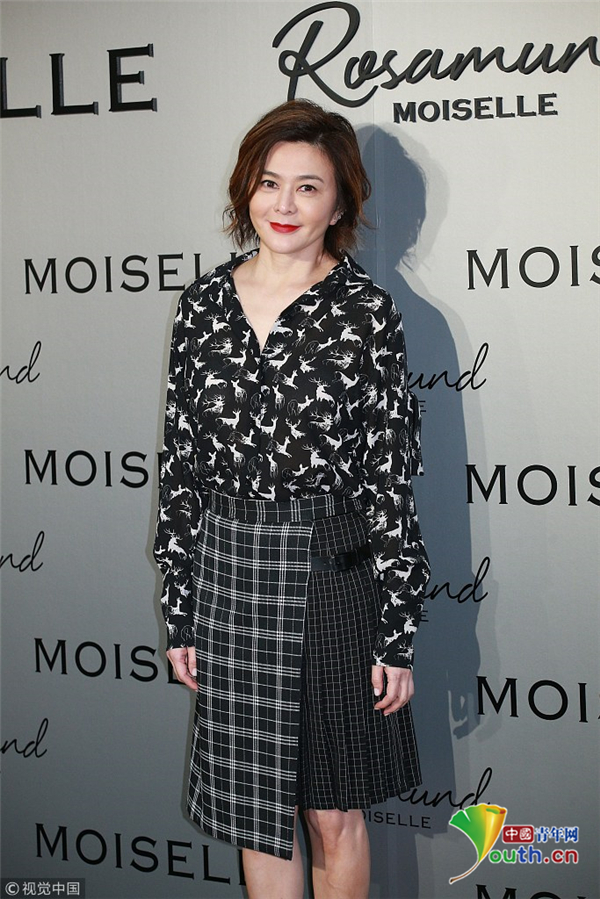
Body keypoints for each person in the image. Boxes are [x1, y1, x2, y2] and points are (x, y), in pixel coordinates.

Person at [154, 99, 430, 899]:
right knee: (257, 815)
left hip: (331, 576)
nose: (283, 204)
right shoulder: (202, 307)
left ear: (339, 204)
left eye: (308, 187)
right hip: (229, 577)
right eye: (269, 182)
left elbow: (389, 475)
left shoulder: (367, 312)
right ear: (246, 190)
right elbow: (181, 465)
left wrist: (397, 628)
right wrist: (181, 608)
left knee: (333, 815)